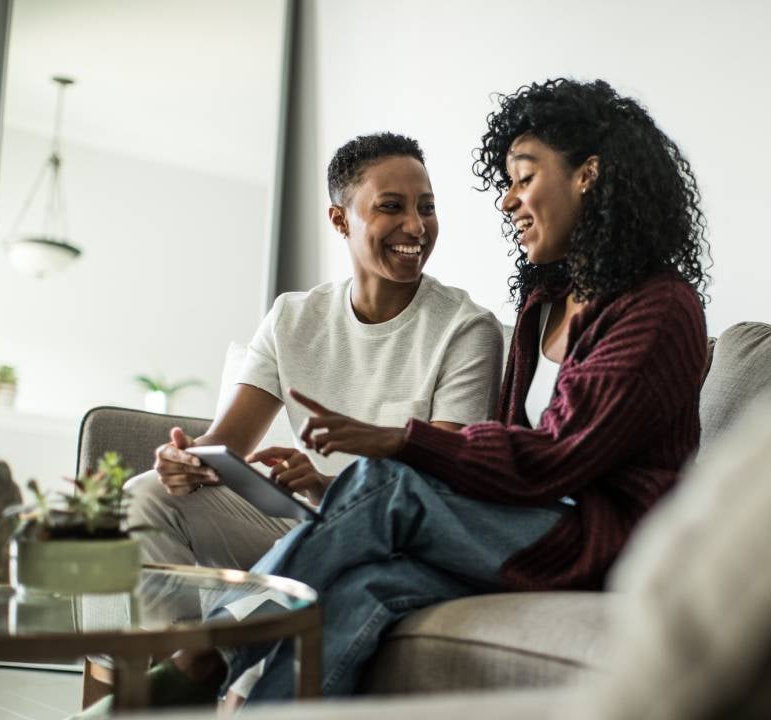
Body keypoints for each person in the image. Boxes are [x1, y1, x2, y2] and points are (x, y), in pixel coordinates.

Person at [73, 78, 709, 716]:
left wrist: (395, 440)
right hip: (514, 527)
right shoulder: (545, 300)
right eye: (508, 183)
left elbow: (553, 458)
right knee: (364, 587)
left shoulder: (658, 310)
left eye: (523, 177)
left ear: (588, 176)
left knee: (388, 482)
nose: (509, 199)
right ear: (341, 219)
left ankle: (201, 658)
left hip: (599, 544)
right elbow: (503, 461)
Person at [126, 132, 503, 572]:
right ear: (340, 220)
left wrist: (327, 487)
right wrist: (186, 460)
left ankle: (210, 640)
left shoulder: (468, 328)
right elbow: (225, 444)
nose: (417, 226)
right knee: (146, 494)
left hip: (391, 537)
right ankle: (178, 640)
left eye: (427, 207)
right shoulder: (292, 317)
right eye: (391, 206)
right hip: (300, 523)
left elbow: (440, 488)